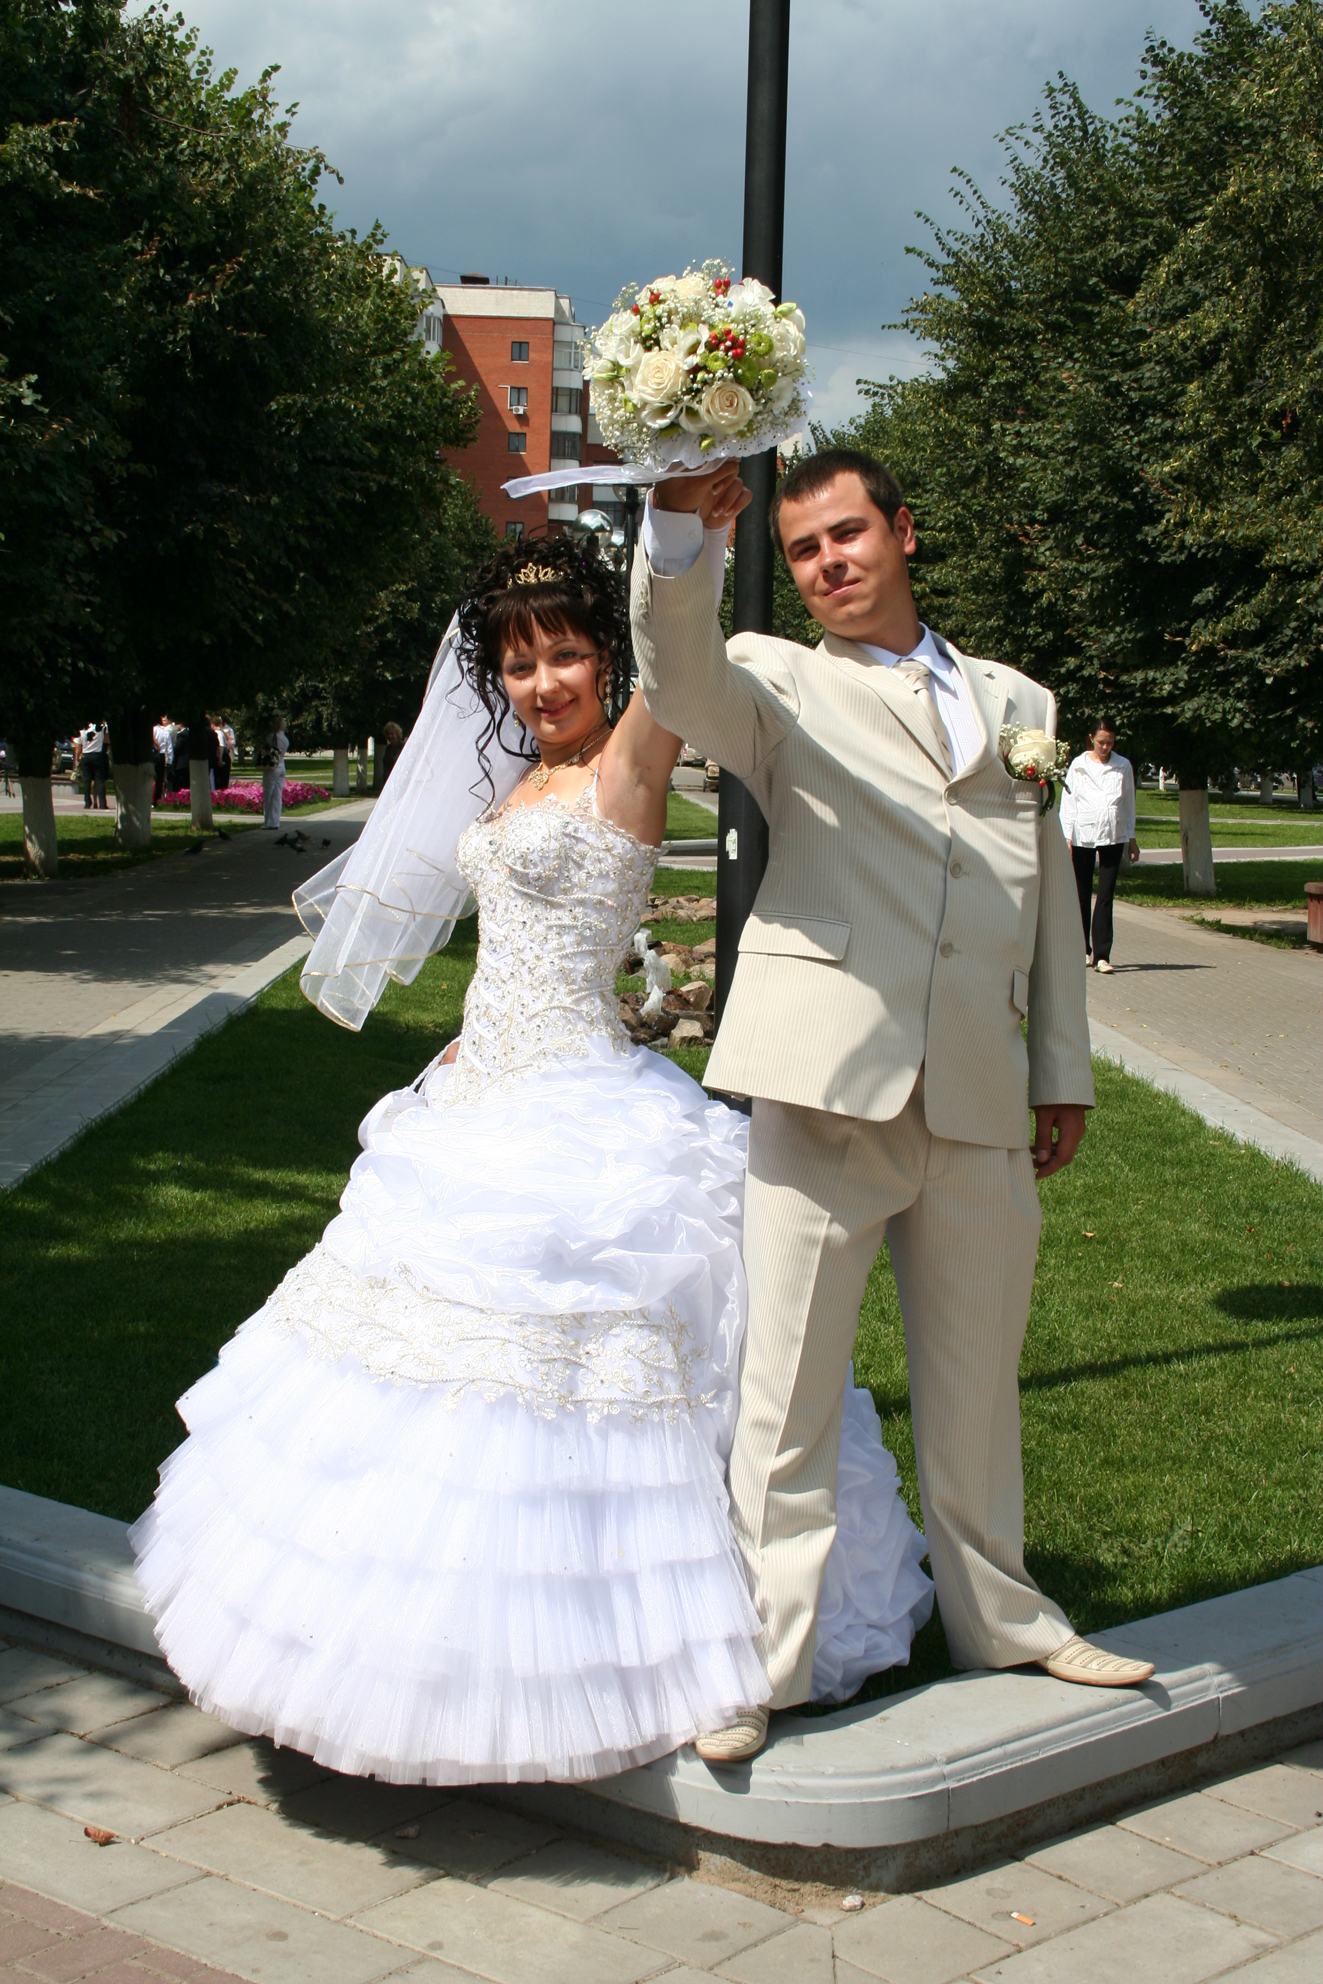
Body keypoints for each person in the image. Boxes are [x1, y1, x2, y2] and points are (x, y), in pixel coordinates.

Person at [130, 531, 932, 1786]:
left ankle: (641, 1654)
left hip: (585, 1110)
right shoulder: (515, 784)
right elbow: (509, 940)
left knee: (583, 1360)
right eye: (518, 664)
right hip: (477, 1094)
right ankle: (395, 1652)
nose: (543, 683)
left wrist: (686, 515)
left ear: (608, 657)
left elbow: (679, 637)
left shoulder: (632, 754)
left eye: (564, 654)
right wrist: (467, 1039)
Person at [634, 447, 1156, 1763]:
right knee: (786, 1398)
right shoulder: (772, 679)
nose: (827, 564)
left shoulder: (1016, 702)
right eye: (804, 549)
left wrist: (1060, 1068)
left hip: (977, 1088)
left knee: (976, 1386)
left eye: (847, 535)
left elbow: (1041, 890)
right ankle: (760, 1661)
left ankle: (1006, 1620)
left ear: (903, 532)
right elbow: (673, 672)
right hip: (823, 1084)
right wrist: (676, 530)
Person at [1060, 719, 1138, 975]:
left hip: (1113, 834)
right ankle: (1082, 949)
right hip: (1083, 834)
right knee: (1081, 893)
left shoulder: (1123, 766)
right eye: (1101, 742)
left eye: (1110, 742)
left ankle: (1102, 955)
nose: (1105, 747)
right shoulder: (1079, 765)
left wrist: (1132, 838)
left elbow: (1128, 804)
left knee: (1105, 896)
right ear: (1091, 738)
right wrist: (1067, 835)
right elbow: (1069, 801)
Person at [261, 719, 289, 829]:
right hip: (281, 765)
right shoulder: (285, 738)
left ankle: (268, 821)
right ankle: (275, 821)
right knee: (277, 796)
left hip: (272, 767)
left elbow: (264, 749)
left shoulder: (271, 736)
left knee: (268, 795)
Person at [79, 719, 109, 810]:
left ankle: (87, 803)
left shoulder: (83, 729)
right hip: (97, 754)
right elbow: (106, 740)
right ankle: (102, 803)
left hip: (85, 754)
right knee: (100, 780)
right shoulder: (101, 727)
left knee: (86, 781)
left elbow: (79, 744)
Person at [152, 716, 173, 807]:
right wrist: (170, 761)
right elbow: (169, 748)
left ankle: (150, 798)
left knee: (150, 778)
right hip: (161, 756)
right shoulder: (165, 732)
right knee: (160, 779)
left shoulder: (151, 731)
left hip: (152, 755)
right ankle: (157, 800)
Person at [379, 719, 405, 787]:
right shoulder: (388, 748)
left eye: (392, 734)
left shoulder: (403, 746)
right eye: (388, 734)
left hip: (398, 780)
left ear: (397, 734)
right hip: (387, 781)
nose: (390, 736)